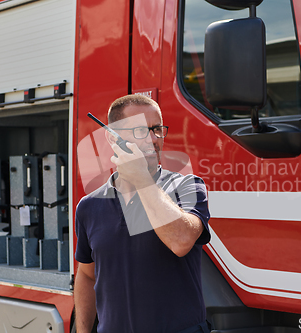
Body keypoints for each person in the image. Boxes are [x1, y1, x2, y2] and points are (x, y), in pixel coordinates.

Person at [74, 94, 211, 333]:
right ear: (111, 137)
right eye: (139, 130)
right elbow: (87, 275)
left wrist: (142, 180)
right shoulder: (89, 206)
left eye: (157, 129)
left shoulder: (188, 187)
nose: (152, 139)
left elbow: (180, 241)